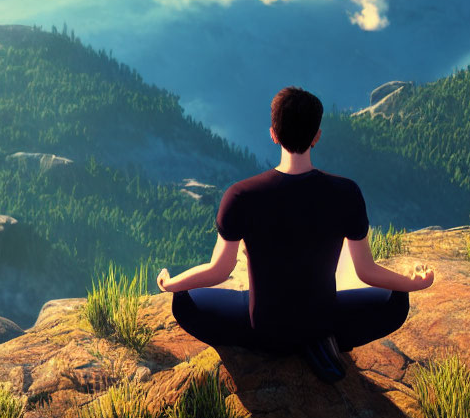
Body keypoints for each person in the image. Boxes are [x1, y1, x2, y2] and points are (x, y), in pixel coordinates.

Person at [157, 86, 435, 383]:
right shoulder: (346, 192)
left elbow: (218, 271)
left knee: (183, 302)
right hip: (323, 320)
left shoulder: (240, 195)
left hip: (263, 326)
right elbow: (366, 272)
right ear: (316, 136)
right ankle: (317, 342)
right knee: (397, 302)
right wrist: (412, 283)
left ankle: (279, 347)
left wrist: (173, 283)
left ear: (273, 134)